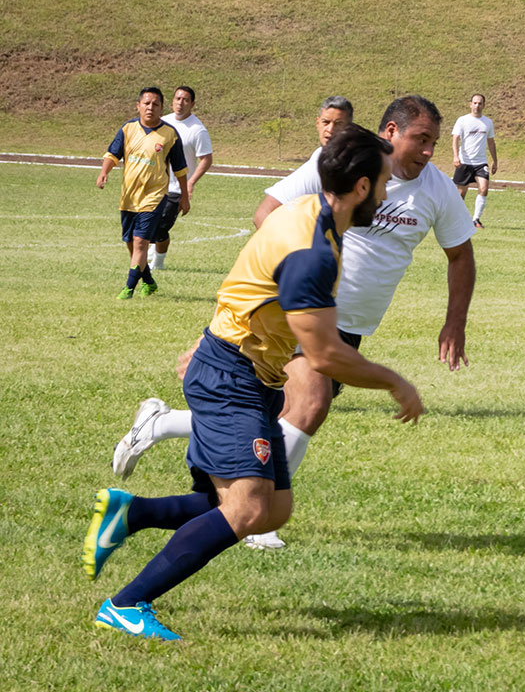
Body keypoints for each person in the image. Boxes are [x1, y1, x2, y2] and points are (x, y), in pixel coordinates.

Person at [84, 124, 424, 641]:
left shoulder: (312, 216)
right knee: (248, 508)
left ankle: (130, 514)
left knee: (271, 512)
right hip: (232, 378)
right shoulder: (312, 249)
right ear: (360, 188)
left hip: (247, 373)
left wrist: (213, 334)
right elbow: (325, 354)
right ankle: (126, 603)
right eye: (382, 182)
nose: (386, 192)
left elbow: (246, 278)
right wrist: (395, 382)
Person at [111, 96, 477, 550]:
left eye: (434, 143)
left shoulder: (438, 190)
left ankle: (160, 426)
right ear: (390, 133)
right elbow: (268, 211)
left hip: (353, 325)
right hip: (301, 317)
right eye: (421, 139)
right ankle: (258, 520)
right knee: (310, 405)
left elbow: (460, 253)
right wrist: (286, 285)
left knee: (274, 411)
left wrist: (454, 322)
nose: (428, 151)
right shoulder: (340, 164)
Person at [96, 87, 190, 299]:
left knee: (140, 243)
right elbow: (113, 154)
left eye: (155, 104)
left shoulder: (169, 134)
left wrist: (184, 197)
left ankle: (128, 289)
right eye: (146, 103)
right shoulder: (128, 129)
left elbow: (180, 169)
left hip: (155, 196)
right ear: (138, 106)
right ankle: (148, 281)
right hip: (129, 196)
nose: (150, 107)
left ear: (161, 108)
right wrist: (104, 172)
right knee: (131, 243)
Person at [252, 95, 355, 227]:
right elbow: (263, 214)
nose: (330, 129)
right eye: (326, 122)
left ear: (350, 128)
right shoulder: (321, 164)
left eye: (338, 124)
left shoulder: (364, 158)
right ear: (317, 123)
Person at [149, 86, 214, 269]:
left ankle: (158, 263)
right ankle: (151, 250)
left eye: (185, 100)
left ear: (192, 104)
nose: (180, 103)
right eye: (178, 99)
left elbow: (206, 159)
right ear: (172, 101)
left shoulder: (197, 130)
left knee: (162, 225)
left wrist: (191, 182)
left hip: (178, 187)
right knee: (147, 219)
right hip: (156, 183)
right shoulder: (163, 122)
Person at [451, 93, 498, 227]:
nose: (477, 105)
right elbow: (455, 139)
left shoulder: (488, 122)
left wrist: (495, 161)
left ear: (484, 105)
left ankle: (476, 219)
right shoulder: (463, 120)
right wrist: (456, 156)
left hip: (481, 163)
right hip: (465, 162)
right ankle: (456, 219)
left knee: (483, 188)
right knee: (461, 194)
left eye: (480, 103)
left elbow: (491, 142)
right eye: (475, 103)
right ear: (470, 104)